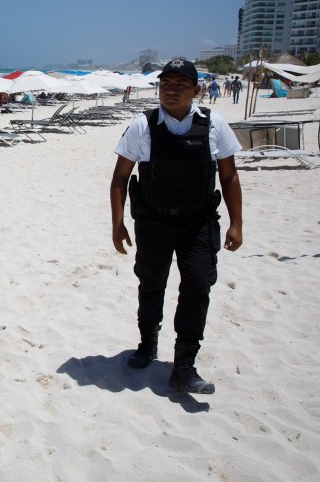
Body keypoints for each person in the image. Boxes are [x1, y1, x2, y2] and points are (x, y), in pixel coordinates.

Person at [109, 59, 243, 394]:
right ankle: (147, 344)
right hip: (153, 222)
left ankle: (184, 365)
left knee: (198, 286)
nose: (170, 89)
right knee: (151, 284)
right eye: (165, 83)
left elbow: (229, 176)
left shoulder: (215, 125)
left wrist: (236, 224)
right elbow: (120, 178)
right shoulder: (142, 125)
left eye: (180, 84)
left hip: (199, 223)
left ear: (196, 90)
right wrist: (118, 223)